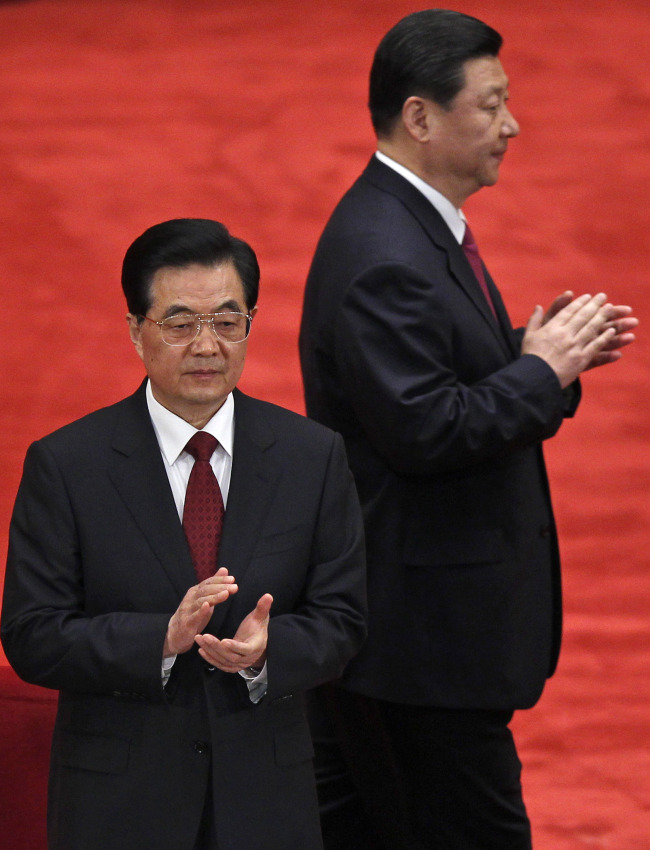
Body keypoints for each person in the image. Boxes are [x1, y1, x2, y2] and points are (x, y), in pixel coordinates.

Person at [299, 9, 637, 850]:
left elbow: (436, 395)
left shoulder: (413, 227)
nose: (511, 125)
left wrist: (532, 362)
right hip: (418, 648)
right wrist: (540, 371)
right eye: (490, 105)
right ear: (421, 117)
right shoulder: (386, 253)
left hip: (417, 641)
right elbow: (425, 431)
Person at [1, 218, 367, 850]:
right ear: (136, 332)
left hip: (264, 803)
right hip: (118, 808)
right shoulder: (67, 464)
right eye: (180, 323)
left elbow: (344, 620)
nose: (207, 345)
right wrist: (159, 640)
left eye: (228, 322)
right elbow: (32, 634)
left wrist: (267, 651)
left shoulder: (312, 457)